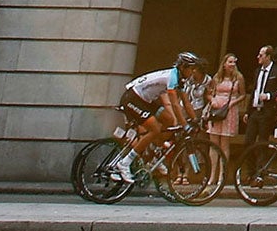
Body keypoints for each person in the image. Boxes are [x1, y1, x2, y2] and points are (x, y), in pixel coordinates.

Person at [104, 52, 201, 184]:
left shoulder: (180, 79)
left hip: (146, 101)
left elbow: (187, 103)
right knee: (154, 129)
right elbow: (175, 104)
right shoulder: (171, 77)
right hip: (133, 98)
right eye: (191, 68)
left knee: (169, 120)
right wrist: (185, 125)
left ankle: (155, 153)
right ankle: (124, 163)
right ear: (183, 67)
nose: (193, 71)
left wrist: (196, 120)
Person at [205, 55, 245, 175]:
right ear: (224, 64)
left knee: (224, 144)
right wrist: (212, 100)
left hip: (229, 109)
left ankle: (222, 174)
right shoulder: (217, 78)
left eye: (234, 62)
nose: (232, 64)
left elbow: (242, 94)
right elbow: (208, 93)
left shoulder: (239, 78)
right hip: (216, 109)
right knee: (213, 144)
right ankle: (211, 174)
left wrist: (233, 102)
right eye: (230, 62)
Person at [244, 45, 277, 151]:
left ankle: (261, 166)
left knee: (262, 141)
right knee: (248, 141)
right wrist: (248, 111)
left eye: (261, 55)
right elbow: (254, 91)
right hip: (255, 110)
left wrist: (268, 96)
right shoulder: (257, 71)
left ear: (268, 57)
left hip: (267, 111)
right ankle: (250, 167)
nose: (258, 57)